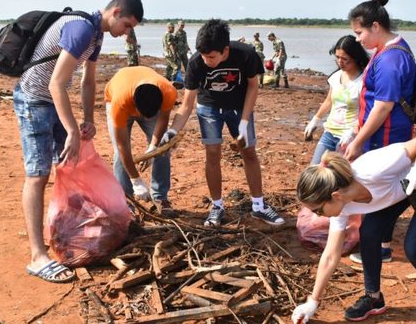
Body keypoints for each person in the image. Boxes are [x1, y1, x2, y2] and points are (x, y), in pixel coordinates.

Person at [13, 0, 143, 283]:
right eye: (128, 25)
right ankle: (37, 256)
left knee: (71, 163)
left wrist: (86, 120)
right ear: (116, 12)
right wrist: (71, 129)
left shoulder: (96, 35)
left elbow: (87, 79)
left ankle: (72, 228)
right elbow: (56, 83)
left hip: (52, 101)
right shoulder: (81, 28)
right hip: (34, 100)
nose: (127, 33)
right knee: (37, 174)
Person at [292, 136, 416, 323]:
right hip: (402, 187)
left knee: (415, 248)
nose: (318, 215)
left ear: (336, 196)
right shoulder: (341, 206)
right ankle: (373, 298)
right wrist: (313, 301)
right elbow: (331, 255)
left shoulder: (372, 170)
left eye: (318, 210)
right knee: (370, 233)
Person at [161, 19, 284, 227]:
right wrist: (172, 131)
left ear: (225, 50)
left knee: (249, 153)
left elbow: (253, 87)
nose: (206, 60)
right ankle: (217, 206)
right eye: (203, 55)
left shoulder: (246, 54)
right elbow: (187, 104)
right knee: (212, 153)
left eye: (211, 57)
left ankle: (259, 206)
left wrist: (244, 122)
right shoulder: (195, 62)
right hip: (208, 108)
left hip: (239, 107)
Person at [340, 0, 416, 265]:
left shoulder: (390, 59)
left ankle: (381, 247)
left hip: (387, 136)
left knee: (381, 186)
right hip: (382, 133)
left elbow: (383, 106)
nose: (358, 39)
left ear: (375, 27)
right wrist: (355, 130)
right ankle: (378, 241)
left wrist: (359, 141)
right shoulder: (384, 51)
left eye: (359, 33)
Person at [105, 66, 178, 217]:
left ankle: (160, 198)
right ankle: (126, 201)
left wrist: (153, 147)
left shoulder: (168, 92)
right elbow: (122, 145)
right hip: (116, 97)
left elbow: (163, 119)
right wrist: (136, 180)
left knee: (163, 148)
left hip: (146, 97)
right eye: (144, 116)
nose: (146, 120)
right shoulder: (121, 103)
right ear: (135, 107)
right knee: (120, 155)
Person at [303, 35, 370, 164]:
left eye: (345, 59)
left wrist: (353, 133)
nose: (340, 62)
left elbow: (366, 112)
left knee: (340, 176)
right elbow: (329, 101)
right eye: (337, 58)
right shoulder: (336, 76)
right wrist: (315, 121)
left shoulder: (363, 81)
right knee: (316, 170)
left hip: (349, 137)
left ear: (355, 58)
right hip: (330, 132)